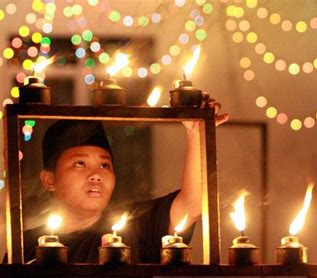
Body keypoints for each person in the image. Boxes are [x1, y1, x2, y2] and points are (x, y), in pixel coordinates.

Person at [23, 101, 229, 263]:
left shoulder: (133, 227)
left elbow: (192, 205)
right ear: (49, 179)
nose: (96, 175)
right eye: (80, 163)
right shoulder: (26, 246)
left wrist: (196, 136)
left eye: (105, 166)